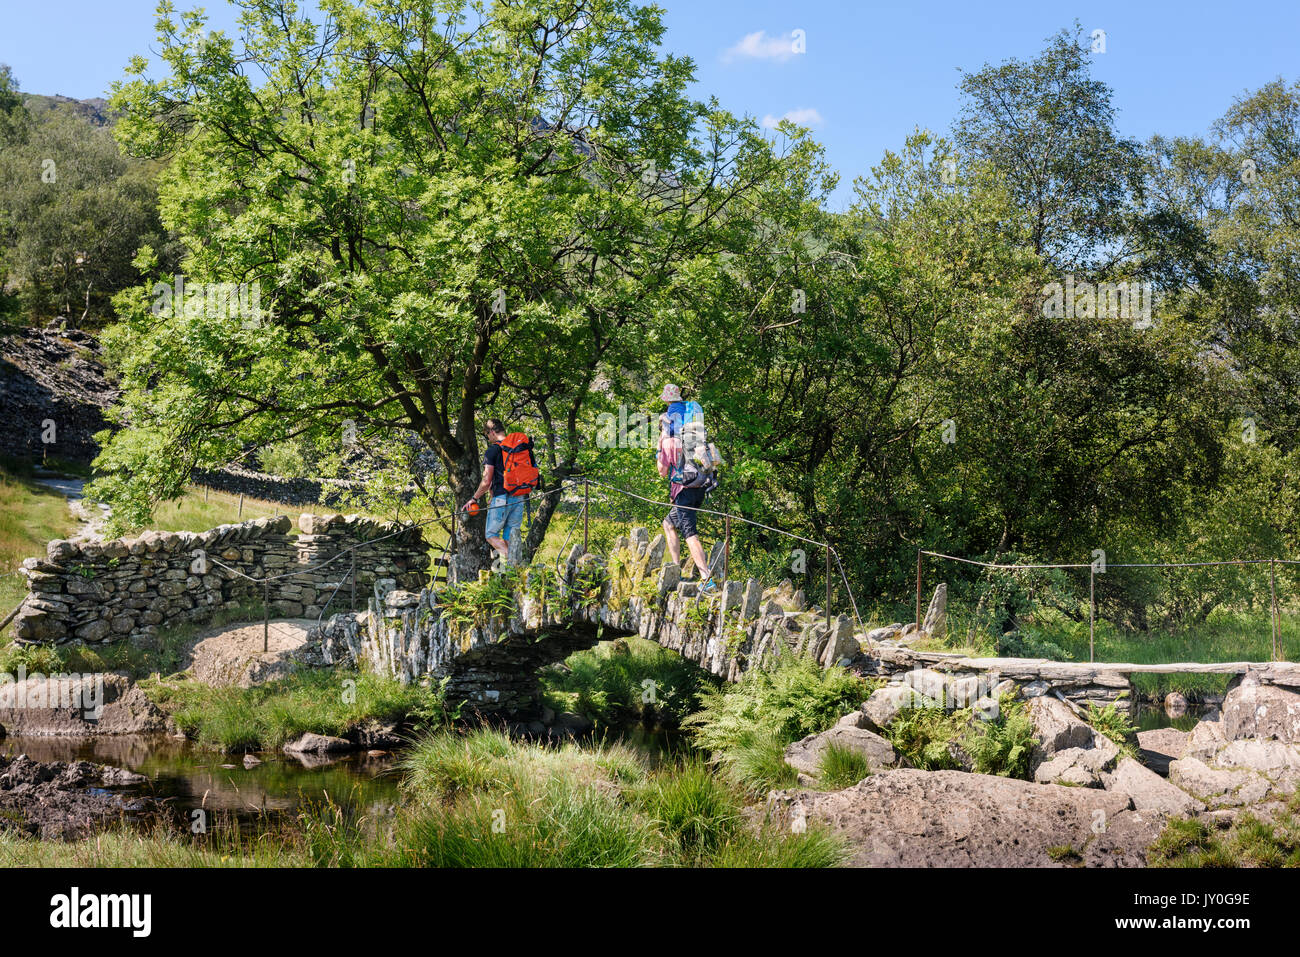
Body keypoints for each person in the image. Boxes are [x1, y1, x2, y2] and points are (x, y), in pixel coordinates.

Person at [656, 384, 717, 595]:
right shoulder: (692, 436)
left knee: (690, 534)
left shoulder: (669, 442)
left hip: (683, 490)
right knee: (668, 523)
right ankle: (676, 570)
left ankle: (706, 579)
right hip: (700, 485)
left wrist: (659, 447)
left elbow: (662, 471)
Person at [465, 418, 526, 568]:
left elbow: (486, 481)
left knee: (491, 535)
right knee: (508, 537)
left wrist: (473, 498)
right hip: (519, 497)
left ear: (492, 432)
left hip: (502, 498)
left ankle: (515, 563)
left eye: (487, 435)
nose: (489, 438)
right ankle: (511, 573)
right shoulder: (518, 448)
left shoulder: (493, 450)